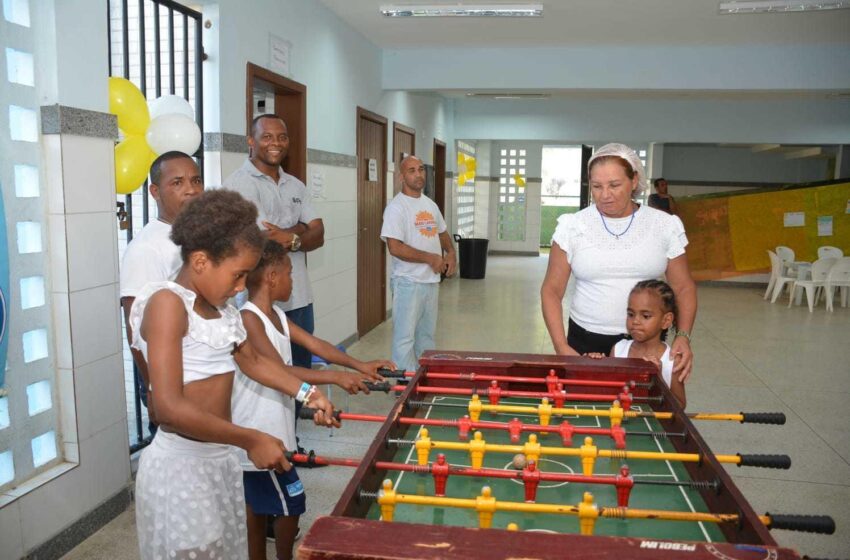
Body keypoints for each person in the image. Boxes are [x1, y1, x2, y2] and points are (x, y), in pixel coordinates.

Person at [130, 189, 338, 560]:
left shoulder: (221, 310)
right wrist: (250, 438)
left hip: (219, 460)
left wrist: (307, 393)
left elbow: (254, 362)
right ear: (199, 261)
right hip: (182, 466)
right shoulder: (167, 304)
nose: (242, 286)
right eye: (238, 274)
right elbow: (167, 407)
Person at [231, 240, 394, 560]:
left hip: (277, 426)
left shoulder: (276, 314)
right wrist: (334, 377)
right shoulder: (249, 318)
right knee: (292, 501)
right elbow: (279, 370)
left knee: (256, 511)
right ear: (272, 277)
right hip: (258, 431)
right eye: (290, 273)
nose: (294, 280)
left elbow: (316, 345)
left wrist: (359, 365)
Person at [540, 143, 697, 382]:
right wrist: (561, 346)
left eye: (614, 185)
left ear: (634, 181)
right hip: (585, 339)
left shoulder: (664, 225)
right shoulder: (572, 226)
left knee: (638, 410)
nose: (605, 195)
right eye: (597, 186)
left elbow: (683, 287)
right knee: (584, 409)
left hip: (647, 344)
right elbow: (551, 291)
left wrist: (683, 335)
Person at [223, 114, 324, 371]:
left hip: (299, 297)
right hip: (259, 301)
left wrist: (290, 237)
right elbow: (264, 241)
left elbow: (319, 233)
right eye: (266, 136)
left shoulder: (296, 185)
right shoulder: (238, 184)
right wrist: (301, 231)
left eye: (281, 137)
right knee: (270, 375)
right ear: (251, 141)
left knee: (301, 371)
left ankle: (298, 413)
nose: (275, 143)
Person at [120, 151, 204, 434]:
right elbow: (134, 326)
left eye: (196, 180)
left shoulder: (195, 235)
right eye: (177, 183)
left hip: (198, 368)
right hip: (170, 378)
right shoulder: (147, 248)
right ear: (155, 191)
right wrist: (152, 388)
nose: (191, 189)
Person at [381, 155, 457, 372]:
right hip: (408, 282)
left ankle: (425, 379)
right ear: (401, 177)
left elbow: (442, 232)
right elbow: (394, 247)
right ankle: (405, 388)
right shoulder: (396, 208)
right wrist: (430, 258)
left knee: (426, 336)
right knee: (404, 339)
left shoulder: (430, 205)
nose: (418, 175)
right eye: (412, 170)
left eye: (421, 169)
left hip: (430, 282)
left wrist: (451, 252)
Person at [586, 280, 686, 407]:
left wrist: (658, 379)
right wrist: (595, 367)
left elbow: (680, 405)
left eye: (645, 316)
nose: (635, 321)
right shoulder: (618, 349)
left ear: (666, 320)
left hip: (655, 425)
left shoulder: (673, 360)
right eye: (631, 314)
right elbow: (610, 391)